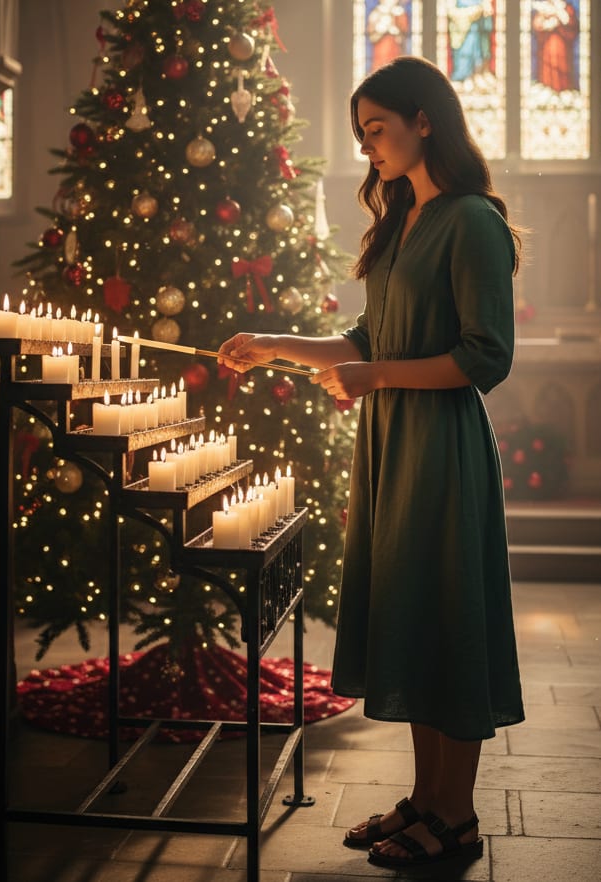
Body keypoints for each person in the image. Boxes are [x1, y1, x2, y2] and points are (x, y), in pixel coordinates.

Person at [218, 56, 525, 869]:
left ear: (425, 120)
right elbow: (365, 342)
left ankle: (455, 818)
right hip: (392, 449)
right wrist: (276, 346)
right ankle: (425, 799)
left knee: (448, 626)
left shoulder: (471, 221)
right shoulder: (400, 223)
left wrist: (376, 375)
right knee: (417, 623)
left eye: (376, 130)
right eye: (361, 135)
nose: (368, 149)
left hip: (442, 451)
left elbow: (483, 358)